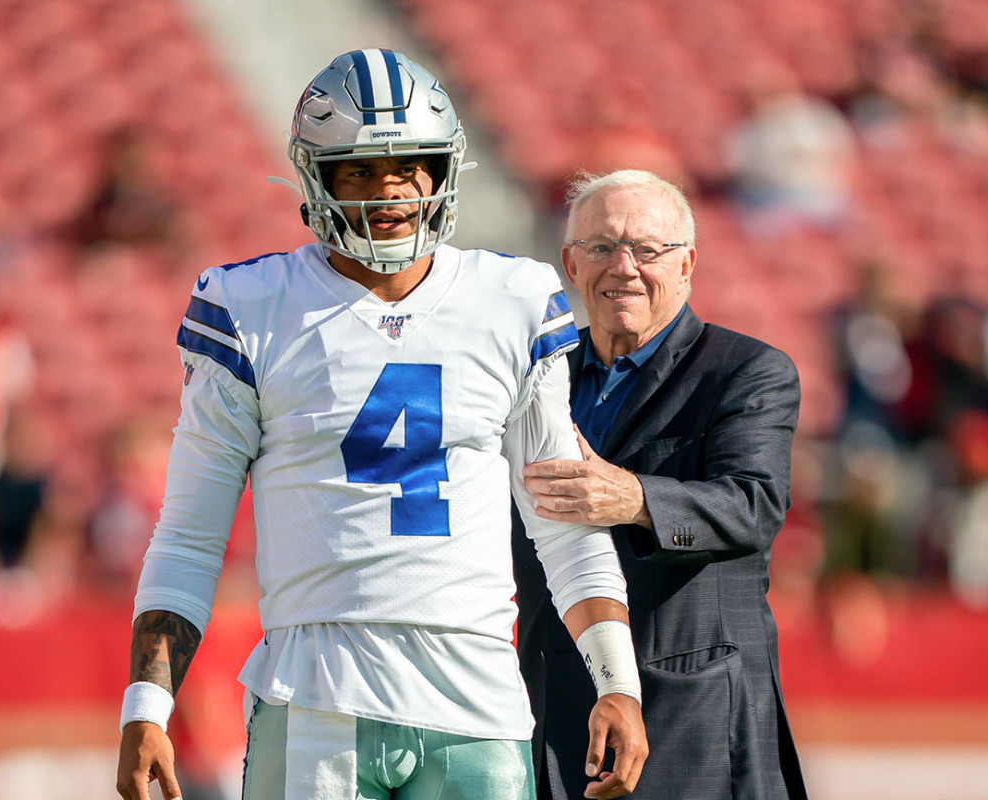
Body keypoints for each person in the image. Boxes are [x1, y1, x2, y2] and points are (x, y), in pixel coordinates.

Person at [115, 50, 647, 800]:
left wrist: (617, 680)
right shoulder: (251, 306)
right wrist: (147, 705)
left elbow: (561, 524)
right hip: (316, 697)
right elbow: (190, 535)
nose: (389, 190)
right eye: (360, 170)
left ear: (442, 170)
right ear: (316, 177)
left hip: (479, 704)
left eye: (409, 164)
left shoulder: (513, 299)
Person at [513, 169, 808, 799]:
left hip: (692, 718)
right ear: (570, 262)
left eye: (647, 250)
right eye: (600, 248)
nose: (623, 267)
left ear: (686, 265)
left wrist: (637, 498)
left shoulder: (747, 371)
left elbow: (753, 506)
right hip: (547, 708)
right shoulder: (535, 377)